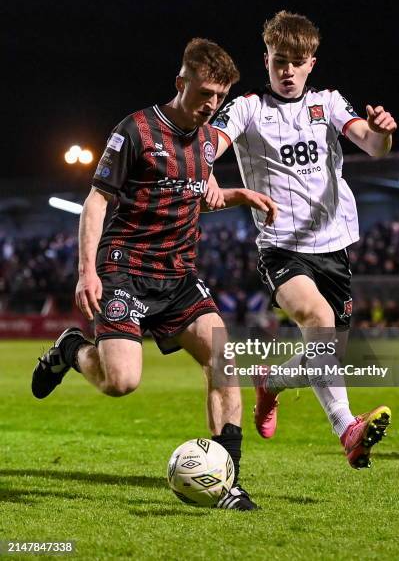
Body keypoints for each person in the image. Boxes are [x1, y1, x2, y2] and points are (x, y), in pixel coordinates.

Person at [31, 38, 278, 509]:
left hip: (179, 275)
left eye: (219, 97)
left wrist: (241, 196)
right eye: (204, 93)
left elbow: (200, 195)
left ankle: (227, 481)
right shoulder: (136, 130)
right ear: (180, 83)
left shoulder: (208, 143)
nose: (211, 105)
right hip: (125, 270)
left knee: (223, 359)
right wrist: (87, 272)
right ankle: (71, 349)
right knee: (120, 382)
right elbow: (97, 200)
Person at [208, 11, 397, 469]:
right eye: (279, 62)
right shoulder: (249, 108)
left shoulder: (329, 103)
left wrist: (382, 134)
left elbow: (371, 146)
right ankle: (347, 429)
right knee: (318, 316)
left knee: (324, 354)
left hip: (333, 248)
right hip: (281, 248)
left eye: (296, 61)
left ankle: (270, 383)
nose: (287, 71)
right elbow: (210, 143)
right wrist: (206, 173)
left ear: (311, 62)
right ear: (266, 60)